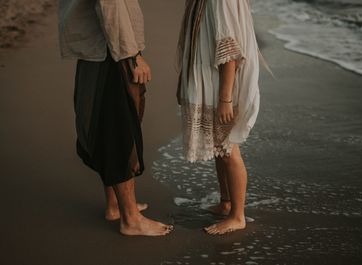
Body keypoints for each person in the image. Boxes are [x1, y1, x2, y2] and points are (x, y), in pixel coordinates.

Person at [59, 0, 173, 236]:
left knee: (105, 127)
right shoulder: (119, 51)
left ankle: (115, 206)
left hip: (99, 49)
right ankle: (130, 219)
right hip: (110, 52)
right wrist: (132, 55)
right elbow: (109, 5)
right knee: (118, 130)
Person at [177, 0, 260, 235]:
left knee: (228, 148)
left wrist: (225, 99)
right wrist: (182, 82)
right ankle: (226, 203)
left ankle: (237, 216)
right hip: (210, 80)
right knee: (219, 148)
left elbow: (230, 50)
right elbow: (193, 41)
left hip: (221, 85)